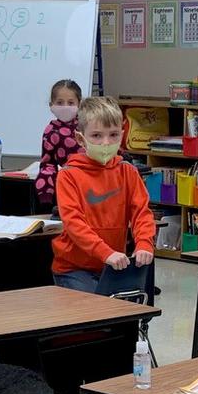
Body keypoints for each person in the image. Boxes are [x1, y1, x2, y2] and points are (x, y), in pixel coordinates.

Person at [51, 95, 154, 295]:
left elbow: (142, 213)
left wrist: (144, 244)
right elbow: (74, 223)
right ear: (80, 139)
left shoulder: (128, 172)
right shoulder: (68, 175)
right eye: (96, 136)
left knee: (128, 309)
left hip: (114, 265)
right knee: (96, 310)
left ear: (122, 135)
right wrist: (105, 252)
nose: (106, 142)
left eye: (113, 135)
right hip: (75, 269)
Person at [34, 78, 83, 213]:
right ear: (51, 105)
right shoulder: (51, 131)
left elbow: (105, 141)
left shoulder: (88, 125)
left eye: (71, 103)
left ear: (79, 104)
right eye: (60, 103)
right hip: (70, 182)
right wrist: (46, 193)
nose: (65, 107)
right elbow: (47, 164)